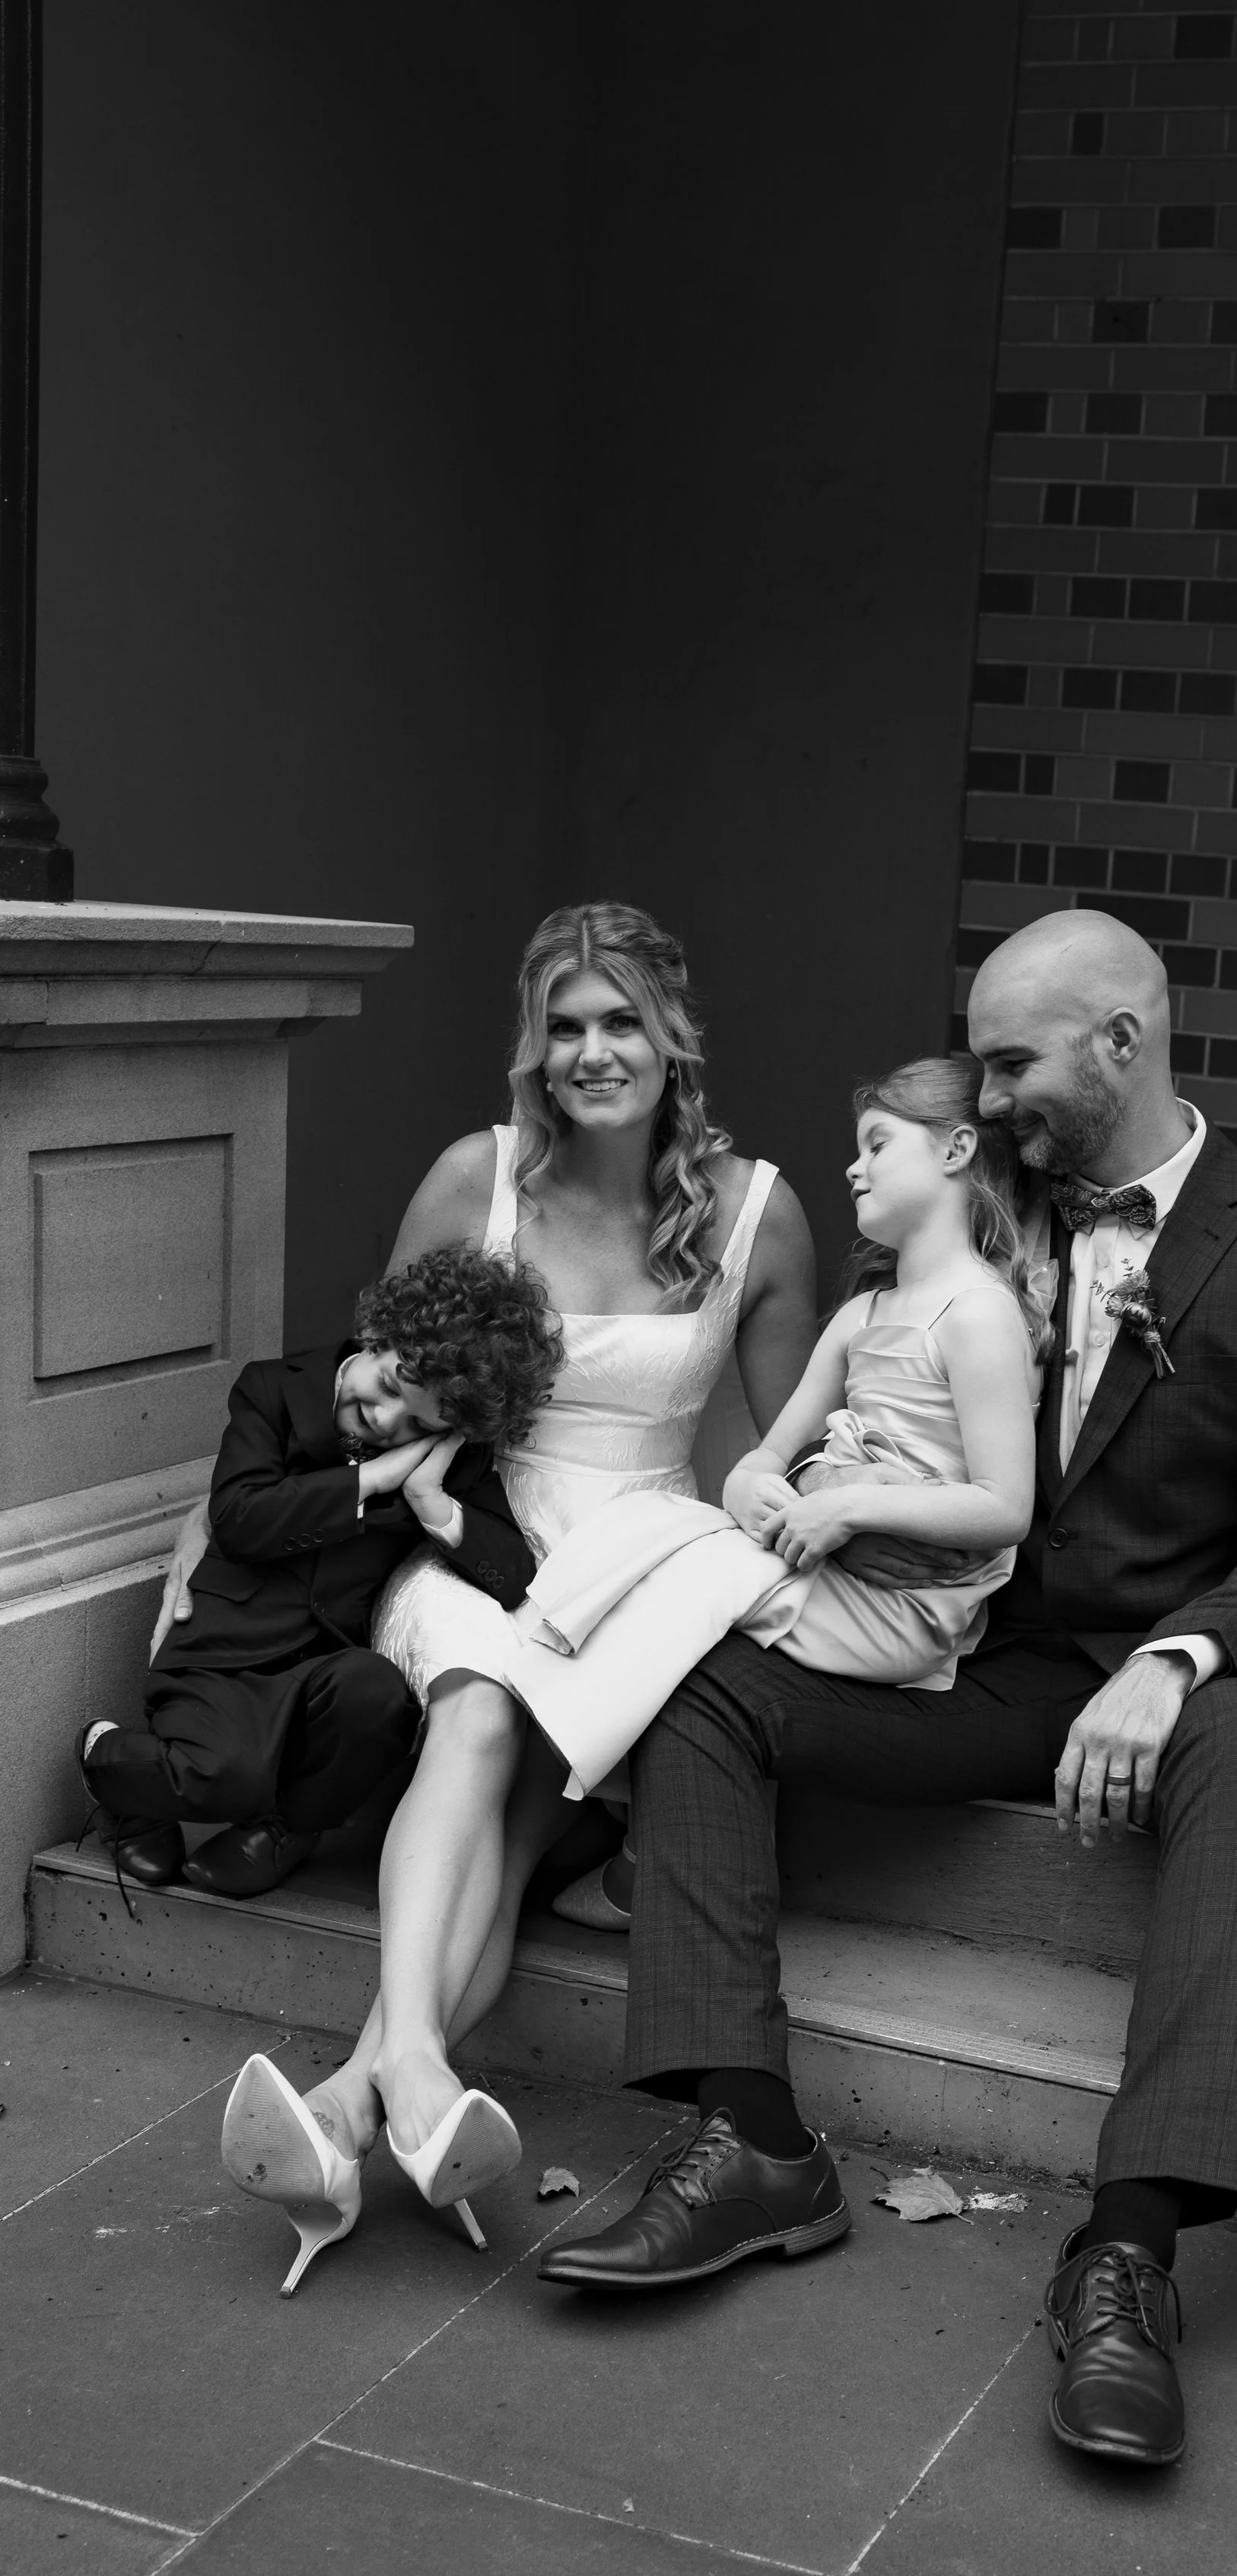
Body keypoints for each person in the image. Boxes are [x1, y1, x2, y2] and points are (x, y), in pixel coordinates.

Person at [539, 910, 1237, 2475]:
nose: (986, 1100)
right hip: (971, 1657)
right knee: (703, 1678)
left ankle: (1126, 2250)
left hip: (1174, 1663)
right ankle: (755, 2137)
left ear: (1117, 1043)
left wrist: (1174, 1656)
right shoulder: (986, 1208)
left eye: (1013, 1060)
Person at [151, 901, 819, 2294]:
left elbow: (787, 1447)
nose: (592, 1050)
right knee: (477, 1712)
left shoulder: (761, 1213)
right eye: (565, 1025)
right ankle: (404, 2066)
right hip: (470, 1537)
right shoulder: (479, 1178)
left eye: (620, 1018)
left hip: (634, 1564)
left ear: (673, 1033)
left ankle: (347, 2107)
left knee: (517, 1832)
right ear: (533, 1046)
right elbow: (368, 1395)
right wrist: (217, 1543)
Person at [504, 1054, 1045, 1807]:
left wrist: (844, 1507)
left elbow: (1003, 1506)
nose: (853, 1169)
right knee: (649, 1519)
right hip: (829, 1567)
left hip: (906, 1603)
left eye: (877, 1145)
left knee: (695, 1584)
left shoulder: (978, 1312)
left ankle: (580, 1784)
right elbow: (767, 1452)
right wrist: (753, 1484)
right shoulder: (862, 1316)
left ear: (954, 1151)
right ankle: (537, 1680)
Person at [77, 1245, 557, 1903]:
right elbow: (241, 1518)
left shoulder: (447, 1466)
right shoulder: (272, 1390)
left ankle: (288, 1826)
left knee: (381, 1697)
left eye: (420, 1423)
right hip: (224, 1651)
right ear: (379, 1333)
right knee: (222, 1777)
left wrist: (432, 1503)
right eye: (389, 1387)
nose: (389, 1422)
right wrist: (374, 1478)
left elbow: (512, 1572)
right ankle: (109, 1762)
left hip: (322, 1663)